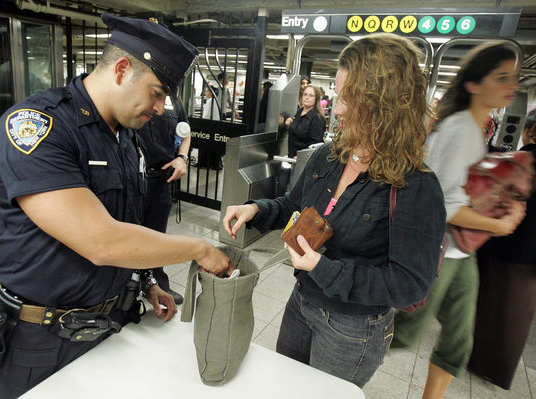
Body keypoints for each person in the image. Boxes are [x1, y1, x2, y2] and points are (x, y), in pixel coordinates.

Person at [0, 13, 230, 398]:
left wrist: (148, 281)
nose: (163, 108)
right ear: (121, 70)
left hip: (109, 326)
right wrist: (199, 248)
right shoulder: (38, 127)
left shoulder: (126, 138)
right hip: (42, 340)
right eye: (157, 92)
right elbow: (102, 241)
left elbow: (129, 223)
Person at [222, 33, 446, 388]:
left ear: (385, 104)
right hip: (301, 303)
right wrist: (255, 209)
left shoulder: (415, 186)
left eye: (350, 98)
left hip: (353, 328)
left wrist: (325, 269)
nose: (338, 110)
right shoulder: (331, 155)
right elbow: (294, 207)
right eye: (339, 96)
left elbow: (410, 285)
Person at [392, 42, 526, 399]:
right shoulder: (460, 129)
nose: (510, 85)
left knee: (458, 338)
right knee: (403, 333)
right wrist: (499, 225)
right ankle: (340, 359)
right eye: (501, 77)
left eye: (513, 78)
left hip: (460, 253)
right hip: (440, 253)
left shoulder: (473, 127)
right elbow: (445, 207)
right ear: (473, 84)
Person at [467, 108, 536, 389]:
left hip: (507, 242)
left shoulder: (524, 158)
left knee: (492, 304)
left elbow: (488, 190)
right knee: (518, 311)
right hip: (529, 255)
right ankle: (501, 369)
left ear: (530, 131)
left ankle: (482, 362)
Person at [139, 99, 192, 305]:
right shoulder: (130, 94)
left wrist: (182, 158)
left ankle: (157, 282)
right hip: (132, 177)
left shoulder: (174, 102)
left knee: (156, 235)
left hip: (162, 179)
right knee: (128, 231)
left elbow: (186, 133)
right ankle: (126, 284)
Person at [284, 84, 326, 158]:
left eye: (311, 95)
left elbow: (315, 145)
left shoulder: (317, 118)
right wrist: (288, 125)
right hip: (291, 157)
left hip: (303, 160)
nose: (307, 97)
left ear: (316, 99)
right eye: (305, 94)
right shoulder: (299, 112)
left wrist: (300, 156)